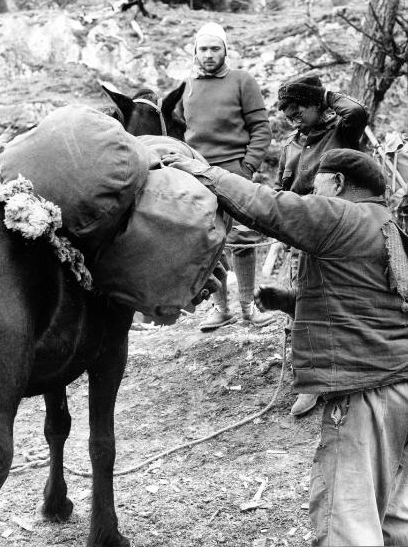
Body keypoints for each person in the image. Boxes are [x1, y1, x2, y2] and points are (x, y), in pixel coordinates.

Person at [162, 147, 408, 547]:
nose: (310, 193)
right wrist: (288, 300)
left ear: (339, 183)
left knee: (347, 520)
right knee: (394, 517)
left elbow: (268, 206)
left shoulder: (340, 214)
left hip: (367, 395)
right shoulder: (388, 226)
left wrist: (201, 171)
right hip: (400, 386)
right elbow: (365, 304)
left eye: (315, 185)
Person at [275, 75, 368, 416]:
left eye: (298, 106)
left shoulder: (342, 132)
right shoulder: (290, 146)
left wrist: (325, 94)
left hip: (343, 230)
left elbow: (357, 109)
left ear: (317, 104)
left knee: (347, 301)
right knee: (300, 305)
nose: (291, 115)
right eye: (286, 109)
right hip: (303, 233)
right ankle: (310, 381)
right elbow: (281, 190)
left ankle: (354, 375)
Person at [176, 21, 275, 331]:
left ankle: (249, 308)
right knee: (206, 239)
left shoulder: (242, 81)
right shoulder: (186, 86)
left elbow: (261, 127)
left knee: (243, 238)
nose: (208, 55)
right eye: (203, 49)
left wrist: (247, 166)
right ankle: (221, 309)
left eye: (215, 48)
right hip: (196, 172)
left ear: (225, 51)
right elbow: (180, 129)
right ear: (195, 51)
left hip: (235, 170)